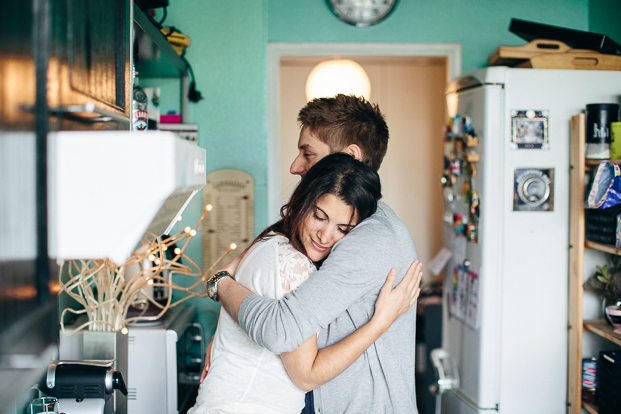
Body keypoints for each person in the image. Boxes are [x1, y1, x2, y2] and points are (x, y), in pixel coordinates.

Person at [206, 94, 419, 413]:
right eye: (319, 217)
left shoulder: (369, 240)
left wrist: (220, 284)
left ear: (350, 158)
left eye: (308, 153)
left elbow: (280, 331)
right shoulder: (345, 226)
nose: (296, 166)